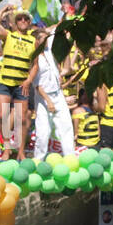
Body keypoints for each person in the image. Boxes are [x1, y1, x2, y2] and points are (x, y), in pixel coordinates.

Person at [0, 5, 41, 158]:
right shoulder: (9, 35)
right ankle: (7, 148)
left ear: (29, 22)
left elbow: (36, 65)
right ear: (15, 22)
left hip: (21, 84)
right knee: (3, 116)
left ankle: (20, 151)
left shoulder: (34, 41)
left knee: (23, 118)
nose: (23, 20)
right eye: (20, 18)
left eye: (26, 18)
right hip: (5, 81)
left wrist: (29, 80)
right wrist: (3, 11)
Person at [27, 30, 75, 158]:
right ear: (37, 41)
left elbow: (57, 31)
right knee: (43, 132)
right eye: (43, 38)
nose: (47, 40)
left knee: (66, 127)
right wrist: (48, 101)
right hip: (43, 98)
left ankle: (70, 159)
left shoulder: (49, 52)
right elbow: (37, 85)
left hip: (57, 94)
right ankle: (38, 161)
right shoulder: (34, 58)